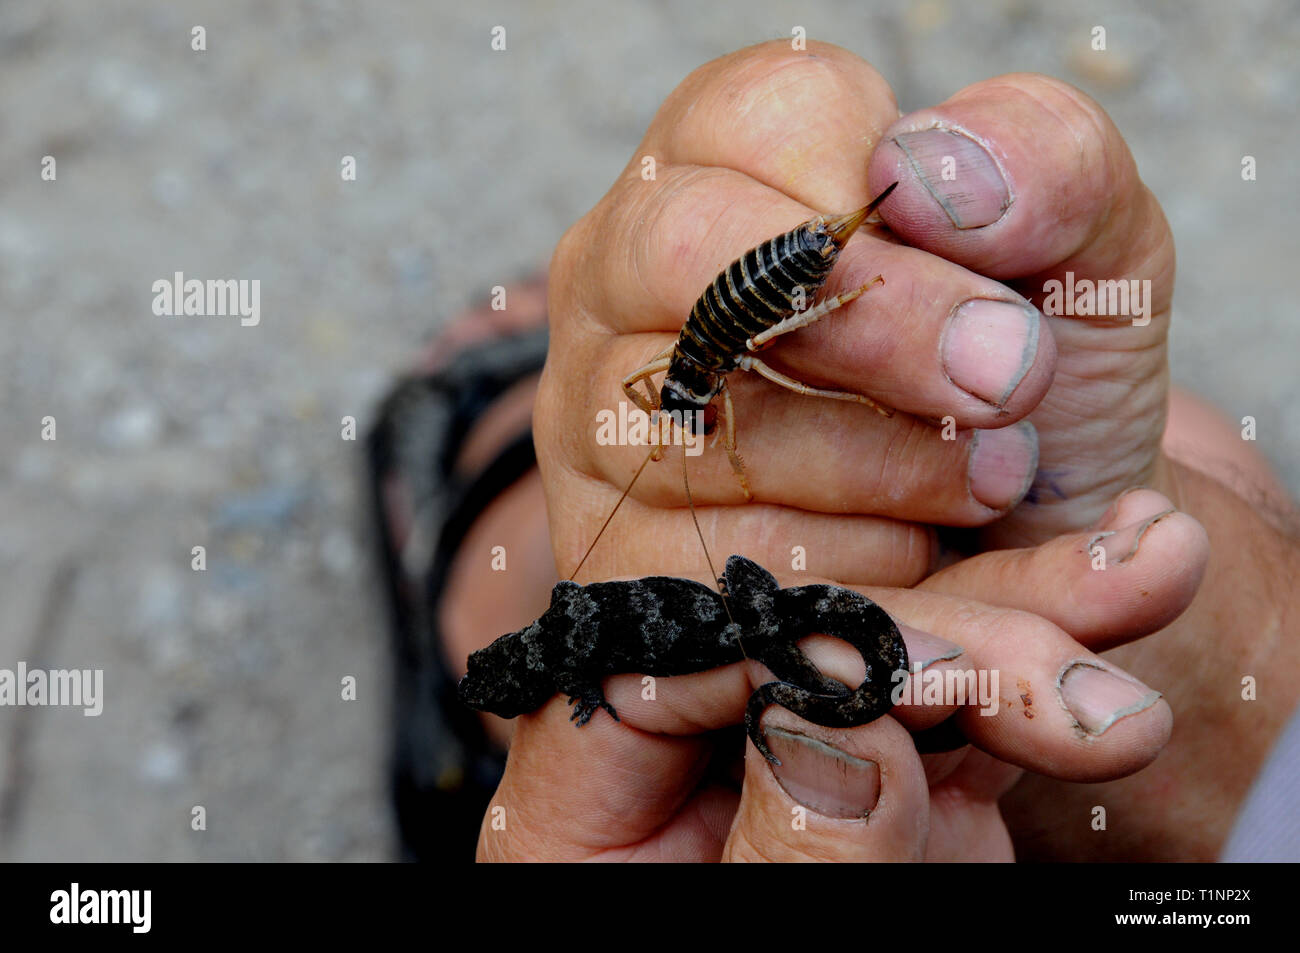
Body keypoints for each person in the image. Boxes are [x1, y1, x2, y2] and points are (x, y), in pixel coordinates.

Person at [371, 41, 1298, 862]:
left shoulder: (704, 387)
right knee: (1202, 451)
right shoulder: (703, 380)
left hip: (755, 310)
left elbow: (700, 380)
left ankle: (511, 518)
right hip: (746, 322)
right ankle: (1199, 670)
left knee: (739, 418)